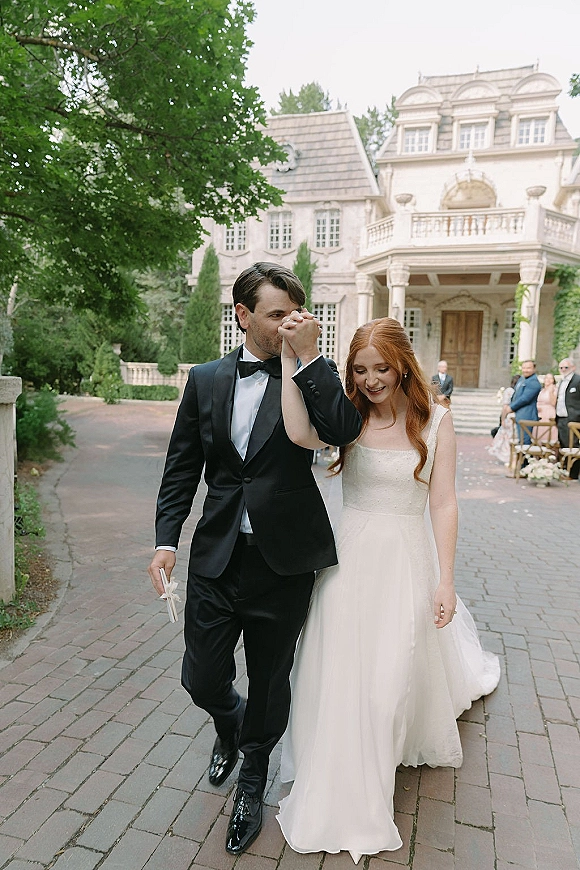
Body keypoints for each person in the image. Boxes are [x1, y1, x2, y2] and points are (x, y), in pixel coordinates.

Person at [148, 263, 362, 856]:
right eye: (276, 314)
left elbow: (344, 429)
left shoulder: (309, 373)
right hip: (217, 553)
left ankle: (251, 781)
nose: (288, 322)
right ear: (243, 315)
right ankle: (228, 723)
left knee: (270, 678)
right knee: (202, 676)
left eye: (295, 312)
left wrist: (312, 359)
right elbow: (181, 467)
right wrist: (167, 540)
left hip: (284, 558)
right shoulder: (207, 379)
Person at [276, 317, 500, 864]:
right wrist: (290, 359)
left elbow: (443, 504)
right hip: (349, 562)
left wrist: (445, 579)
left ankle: (380, 752)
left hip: (407, 560)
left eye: (381, 368)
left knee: (389, 676)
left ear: (403, 364)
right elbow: (299, 433)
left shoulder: (435, 421)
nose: (372, 379)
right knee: (344, 669)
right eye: (360, 369)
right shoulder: (346, 418)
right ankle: (341, 767)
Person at [556, 358, 580, 479]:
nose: (563, 370)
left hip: (573, 419)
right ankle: (565, 470)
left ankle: (573, 473)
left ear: (573, 368)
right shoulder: (561, 382)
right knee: (563, 444)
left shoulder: (577, 380)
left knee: (573, 445)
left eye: (566, 367)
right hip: (561, 417)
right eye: (561, 368)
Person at [488, 375, 519, 466]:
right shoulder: (513, 391)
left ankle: (508, 457)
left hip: (510, 417)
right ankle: (509, 457)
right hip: (512, 417)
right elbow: (506, 406)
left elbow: (505, 407)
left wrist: (503, 418)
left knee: (507, 438)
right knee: (508, 438)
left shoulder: (510, 391)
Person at [510, 360, 541, 444]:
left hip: (527, 416)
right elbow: (516, 393)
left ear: (534, 369)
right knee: (521, 442)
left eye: (528, 368)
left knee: (525, 443)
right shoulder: (522, 379)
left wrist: (511, 407)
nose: (525, 370)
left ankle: (525, 457)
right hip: (519, 414)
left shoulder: (534, 382)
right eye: (523, 368)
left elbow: (525, 399)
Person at [536, 371, 558, 443]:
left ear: (553, 380)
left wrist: (550, 392)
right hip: (540, 414)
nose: (547, 380)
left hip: (548, 413)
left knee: (548, 432)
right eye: (546, 378)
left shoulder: (554, 389)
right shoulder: (542, 390)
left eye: (550, 378)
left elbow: (553, 402)